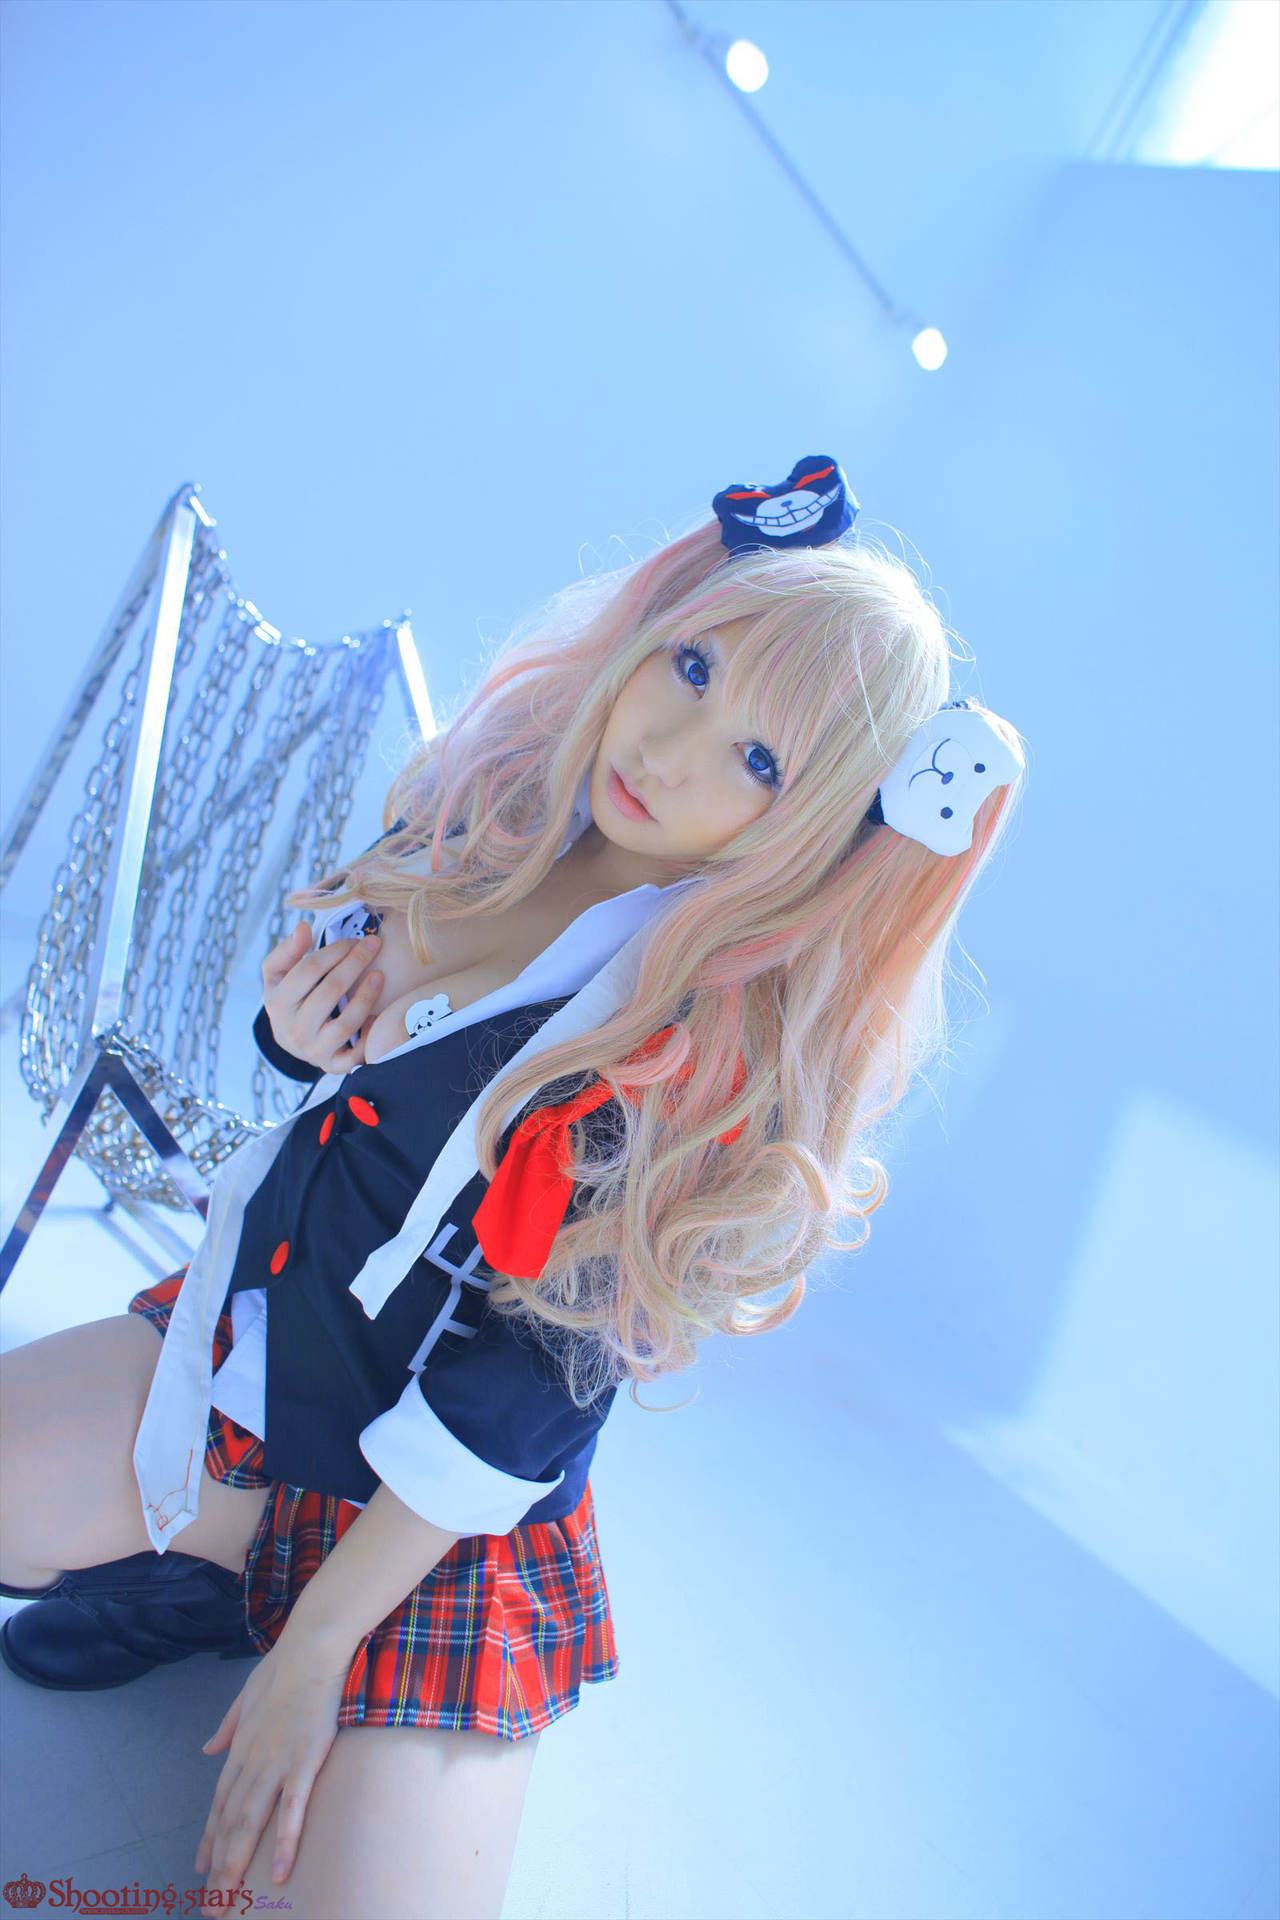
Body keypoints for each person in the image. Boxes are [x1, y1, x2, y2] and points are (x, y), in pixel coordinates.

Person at [0, 453, 1026, 1920]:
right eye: (692, 667)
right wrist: (297, 1029)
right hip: (266, 1355)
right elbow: (336, 1058)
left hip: (439, 1521)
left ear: (811, 827)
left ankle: (287, 1610)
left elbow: (536, 1387)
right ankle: (214, 1576)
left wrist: (323, 1649)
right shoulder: (488, 804)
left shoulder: (712, 1052)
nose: (670, 749)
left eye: (759, 761)